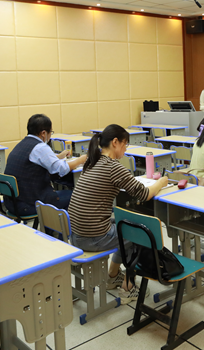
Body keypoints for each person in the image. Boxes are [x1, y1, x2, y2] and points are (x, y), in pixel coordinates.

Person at [68, 124, 170, 304]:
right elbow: (144, 194)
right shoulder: (113, 166)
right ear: (115, 142)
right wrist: (161, 182)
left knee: (124, 222)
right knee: (139, 232)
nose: (125, 149)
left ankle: (112, 275)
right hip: (92, 237)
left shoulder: (92, 162)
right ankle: (128, 288)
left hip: (76, 234)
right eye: (125, 144)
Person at [4, 114, 86, 217]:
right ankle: (60, 227)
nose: (50, 135)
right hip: (29, 204)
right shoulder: (40, 147)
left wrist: (57, 157)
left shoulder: (21, 144)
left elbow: (36, 160)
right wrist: (80, 160)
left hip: (12, 203)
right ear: (43, 133)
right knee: (75, 195)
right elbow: (60, 169)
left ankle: (53, 225)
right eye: (50, 132)